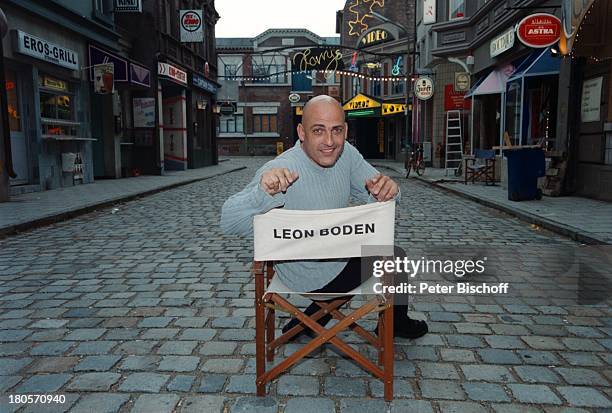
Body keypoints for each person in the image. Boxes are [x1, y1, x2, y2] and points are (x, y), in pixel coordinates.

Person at [221, 95, 428, 339]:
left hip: (335, 258)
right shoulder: (281, 168)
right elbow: (228, 220)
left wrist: (390, 190)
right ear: (301, 132)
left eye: (336, 130)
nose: (329, 141)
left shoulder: (346, 154)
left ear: (345, 130)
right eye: (318, 130)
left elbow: (386, 196)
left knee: (380, 251)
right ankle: (396, 324)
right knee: (396, 256)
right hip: (303, 273)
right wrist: (262, 193)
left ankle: (307, 322)